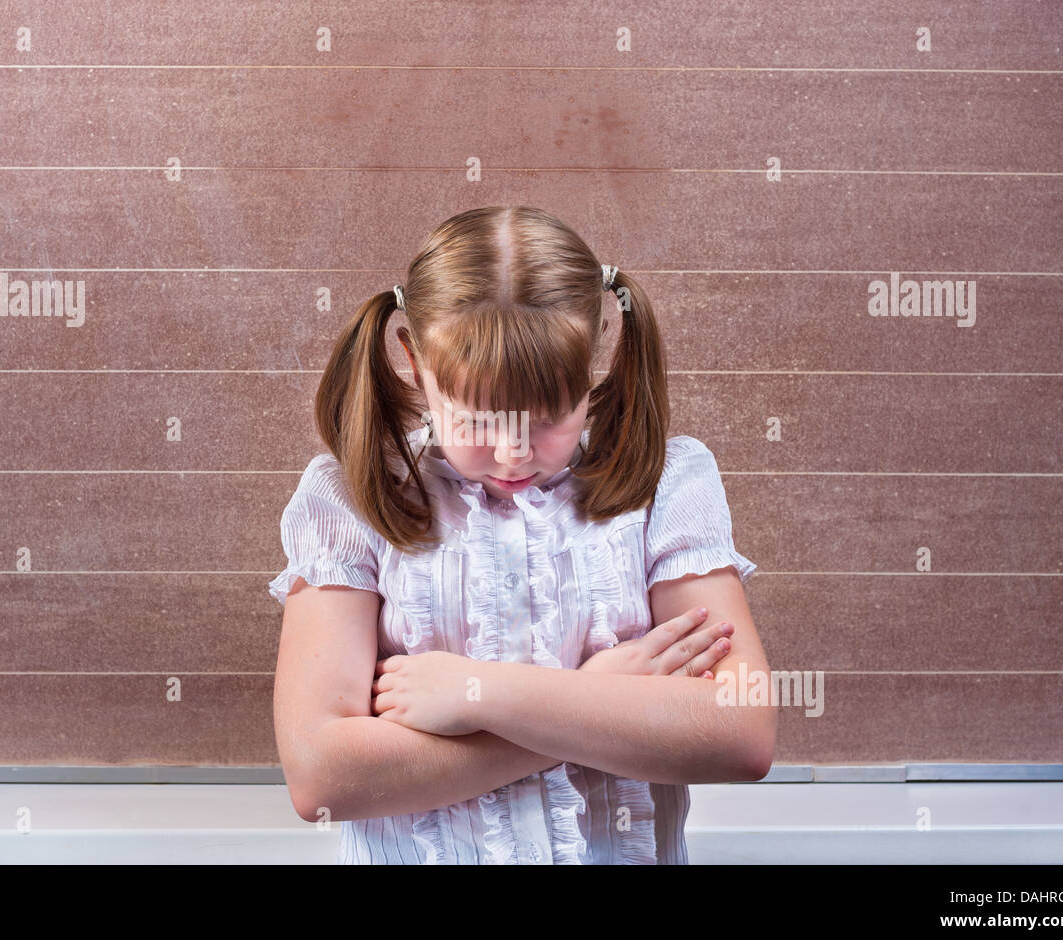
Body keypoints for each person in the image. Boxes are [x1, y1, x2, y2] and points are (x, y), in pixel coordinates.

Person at [269, 205, 775, 864]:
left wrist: (480, 693)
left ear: (592, 366)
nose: (513, 454)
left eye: (549, 418)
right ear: (415, 366)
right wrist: (603, 698)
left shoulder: (667, 484)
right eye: (478, 419)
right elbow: (321, 775)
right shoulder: (352, 498)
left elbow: (743, 732)